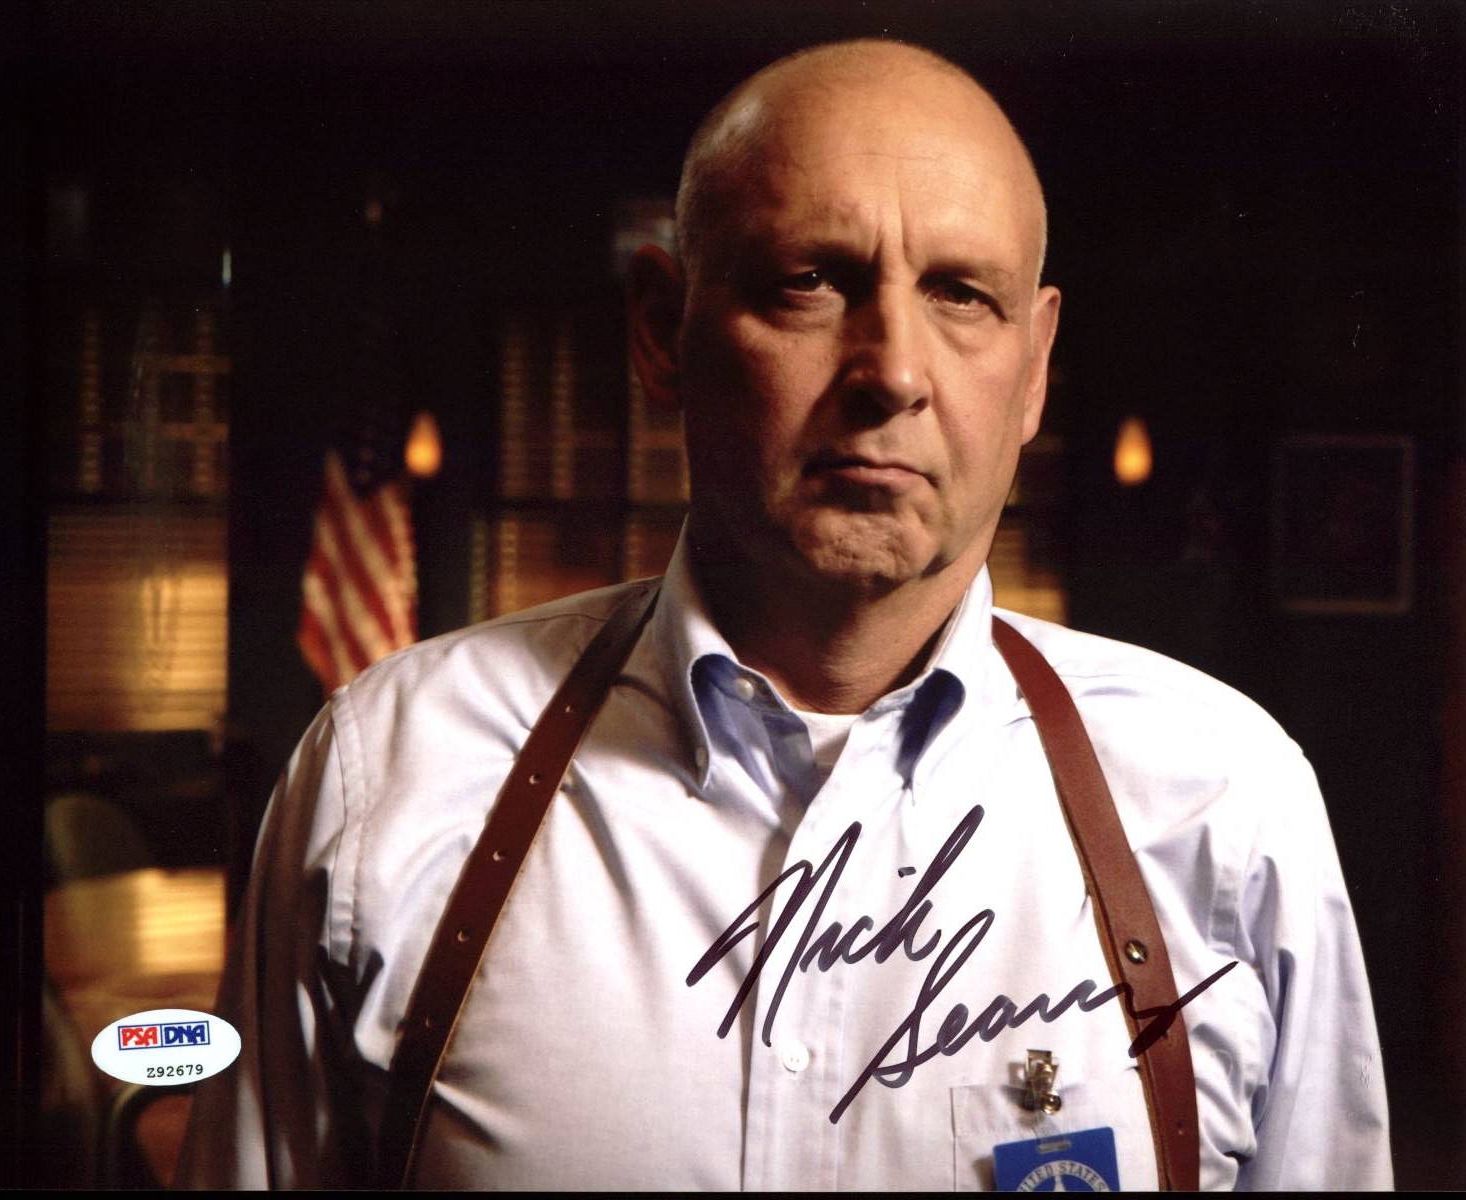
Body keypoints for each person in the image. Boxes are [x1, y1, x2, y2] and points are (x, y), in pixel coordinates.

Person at [179, 39, 1391, 1190]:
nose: (892, 372)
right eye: (809, 281)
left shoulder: (1225, 803)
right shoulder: (387, 777)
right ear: (661, 331)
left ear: (1032, 370)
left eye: (962, 294)